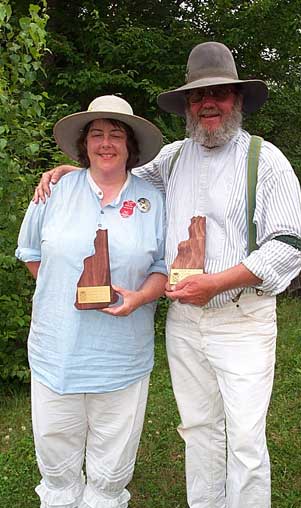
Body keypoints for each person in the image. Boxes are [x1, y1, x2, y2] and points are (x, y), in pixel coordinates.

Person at [34, 42, 301, 508]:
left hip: (241, 319)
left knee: (243, 438)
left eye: (219, 94)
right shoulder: (174, 159)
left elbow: (288, 247)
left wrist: (218, 282)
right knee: (198, 429)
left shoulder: (267, 161)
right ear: (187, 107)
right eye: (198, 97)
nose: (208, 105)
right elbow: (118, 175)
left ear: (237, 100)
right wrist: (69, 172)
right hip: (185, 323)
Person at [16, 95, 168, 508]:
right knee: (58, 473)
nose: (106, 143)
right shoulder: (55, 191)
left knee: (108, 476)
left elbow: (164, 265)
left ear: (130, 145)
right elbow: (30, 253)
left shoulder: (152, 200)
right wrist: (64, 292)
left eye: (115, 134)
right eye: (97, 134)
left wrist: (139, 297)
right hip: (56, 355)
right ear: (84, 143)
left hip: (122, 358)